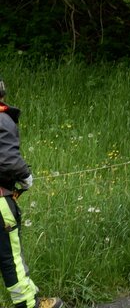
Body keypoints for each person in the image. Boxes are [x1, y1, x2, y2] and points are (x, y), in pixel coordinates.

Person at [0, 77, 63, 308]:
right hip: (0, 202)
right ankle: (30, 305)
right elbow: (8, 160)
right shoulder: (2, 118)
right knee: (12, 259)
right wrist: (25, 177)